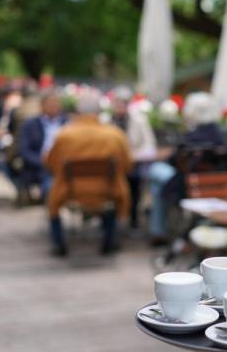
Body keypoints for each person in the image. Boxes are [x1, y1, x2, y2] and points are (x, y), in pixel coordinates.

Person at [44, 92, 134, 256]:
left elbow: (50, 164)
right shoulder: (115, 135)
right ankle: (109, 240)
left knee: (51, 197)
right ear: (99, 112)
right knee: (114, 194)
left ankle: (59, 243)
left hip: (69, 191)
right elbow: (127, 165)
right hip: (108, 191)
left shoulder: (64, 135)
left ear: (78, 112)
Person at [147, 92, 226, 242]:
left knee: (155, 171)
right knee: (158, 184)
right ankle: (158, 227)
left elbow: (173, 161)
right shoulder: (219, 134)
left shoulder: (192, 136)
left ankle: (158, 229)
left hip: (186, 185)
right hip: (212, 184)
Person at [110, 88, 157, 229]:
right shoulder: (107, 121)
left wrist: (133, 156)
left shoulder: (139, 120)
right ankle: (113, 219)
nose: (120, 106)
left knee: (133, 183)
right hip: (111, 165)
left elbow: (149, 145)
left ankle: (132, 217)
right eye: (117, 102)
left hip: (132, 163)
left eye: (123, 103)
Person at [17, 93, 68, 198]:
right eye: (50, 103)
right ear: (42, 105)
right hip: (39, 165)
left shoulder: (68, 123)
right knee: (49, 187)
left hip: (62, 164)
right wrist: (42, 161)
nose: (53, 106)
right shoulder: (30, 124)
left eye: (55, 103)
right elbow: (24, 149)